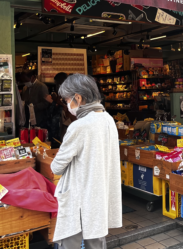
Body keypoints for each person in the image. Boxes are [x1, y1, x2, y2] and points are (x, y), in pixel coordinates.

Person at [51, 74, 122, 248]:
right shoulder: (108, 119)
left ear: (78, 97)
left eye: (67, 99)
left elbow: (56, 167)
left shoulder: (79, 126)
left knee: (71, 240)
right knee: (96, 239)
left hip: (79, 197)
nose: (67, 105)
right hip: (99, 193)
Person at [44, 72, 76, 148]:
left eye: (59, 83)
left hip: (66, 126)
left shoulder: (71, 93)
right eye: (57, 84)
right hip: (57, 127)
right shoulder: (61, 92)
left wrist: (58, 102)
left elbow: (69, 111)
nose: (57, 86)